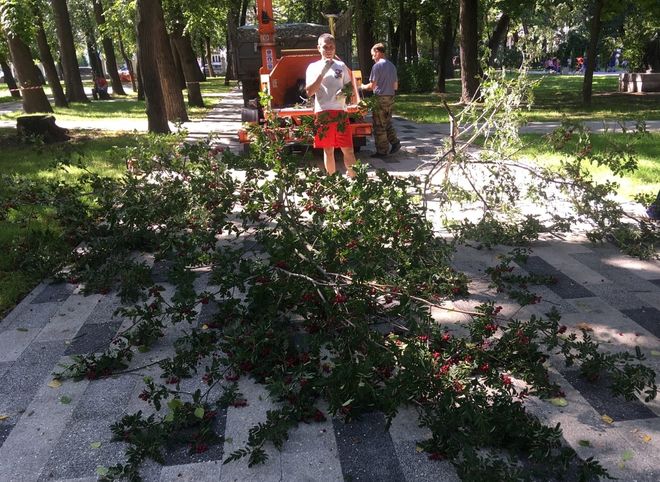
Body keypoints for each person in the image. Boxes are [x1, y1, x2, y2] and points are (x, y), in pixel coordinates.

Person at [305, 33, 357, 177]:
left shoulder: (341, 66)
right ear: (318, 48)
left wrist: (344, 91)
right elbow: (309, 92)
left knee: (348, 149)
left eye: (331, 47)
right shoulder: (313, 67)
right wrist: (322, 73)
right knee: (328, 150)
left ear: (335, 48)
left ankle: (356, 179)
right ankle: (332, 181)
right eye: (325, 47)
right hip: (323, 113)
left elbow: (350, 87)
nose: (328, 50)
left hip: (340, 112)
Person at [360, 43, 400, 158]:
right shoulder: (392, 66)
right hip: (391, 97)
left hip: (380, 98)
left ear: (378, 52)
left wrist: (362, 86)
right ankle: (395, 142)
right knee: (387, 122)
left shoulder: (377, 66)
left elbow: (372, 86)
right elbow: (395, 86)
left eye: (373, 55)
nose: (372, 58)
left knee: (379, 125)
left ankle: (382, 151)